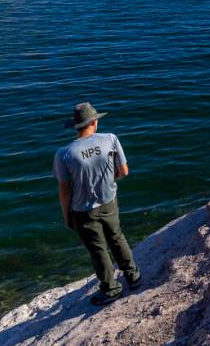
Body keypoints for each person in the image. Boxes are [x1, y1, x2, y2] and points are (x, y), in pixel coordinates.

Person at [53, 102, 141, 305]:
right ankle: (133, 276)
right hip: (109, 201)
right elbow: (124, 172)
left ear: (76, 126)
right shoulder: (110, 139)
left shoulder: (64, 154)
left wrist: (67, 216)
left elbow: (65, 191)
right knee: (117, 237)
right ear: (93, 122)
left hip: (83, 210)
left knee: (98, 248)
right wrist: (108, 181)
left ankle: (111, 289)